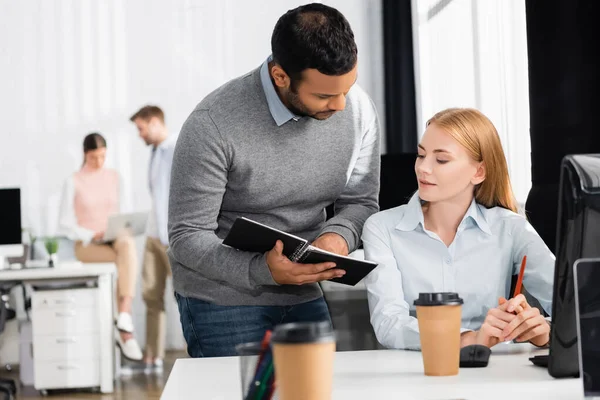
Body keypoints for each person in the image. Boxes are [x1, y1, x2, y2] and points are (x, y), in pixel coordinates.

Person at [169, 3, 381, 358]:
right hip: (223, 299)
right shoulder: (212, 125)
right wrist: (261, 269)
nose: (341, 105)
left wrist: (337, 237)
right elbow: (186, 236)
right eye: (325, 95)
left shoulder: (357, 110)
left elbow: (360, 202)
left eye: (348, 88)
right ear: (280, 76)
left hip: (304, 290)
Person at [362, 108, 554, 350]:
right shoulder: (382, 227)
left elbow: (576, 306)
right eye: (421, 155)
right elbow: (389, 323)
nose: (423, 168)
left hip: (495, 373)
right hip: (415, 374)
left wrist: (545, 330)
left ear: (479, 172)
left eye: (441, 159)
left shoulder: (510, 227)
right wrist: (469, 338)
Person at [58, 132, 143, 361]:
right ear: (85, 154)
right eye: (94, 157)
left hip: (114, 239)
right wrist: (89, 233)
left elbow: (124, 211)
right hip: (87, 244)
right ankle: (125, 331)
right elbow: (64, 223)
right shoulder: (73, 181)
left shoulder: (115, 177)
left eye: (103, 156)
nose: (99, 162)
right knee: (125, 260)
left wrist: (121, 227)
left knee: (126, 244)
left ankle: (123, 316)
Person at [130, 105, 177, 373]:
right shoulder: (154, 154)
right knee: (151, 296)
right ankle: (153, 357)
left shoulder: (176, 149)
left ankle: (197, 354)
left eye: (141, 128)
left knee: (185, 296)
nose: (139, 134)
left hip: (173, 238)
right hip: (153, 235)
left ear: (155, 122)